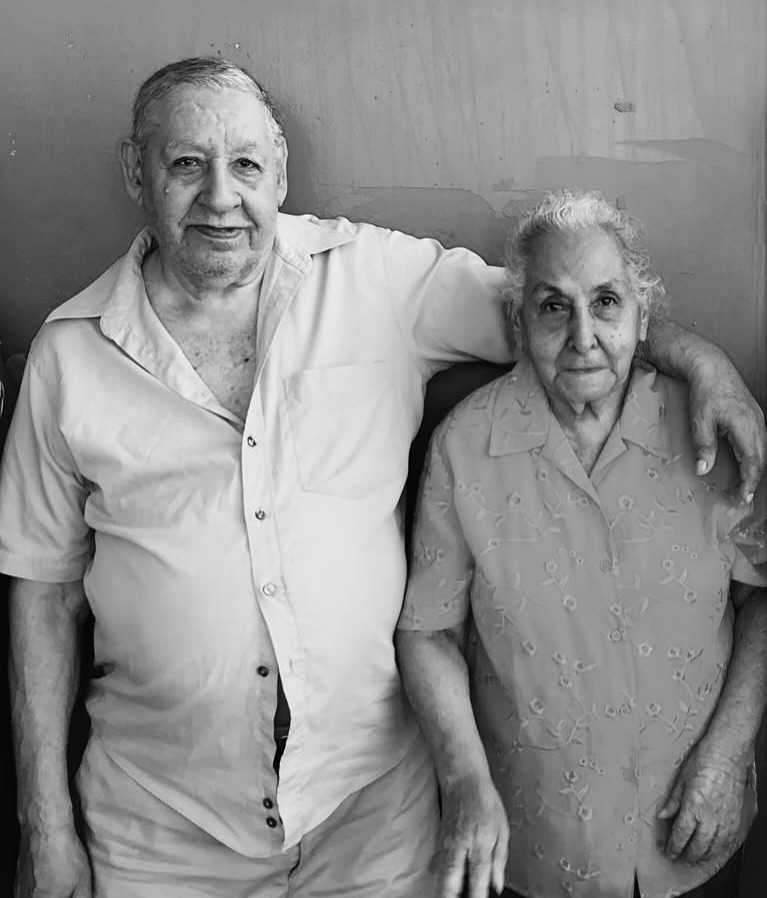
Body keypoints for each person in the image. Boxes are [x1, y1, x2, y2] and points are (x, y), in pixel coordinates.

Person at [0, 59, 763, 898]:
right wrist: (46, 826)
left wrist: (704, 364)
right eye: (187, 163)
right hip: (157, 823)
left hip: (370, 816)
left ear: (280, 169)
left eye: (246, 165)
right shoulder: (68, 357)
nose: (221, 196)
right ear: (134, 170)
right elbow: (43, 594)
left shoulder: (373, 279)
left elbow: (561, 310)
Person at [396, 190, 767, 898]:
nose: (582, 336)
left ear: (641, 315)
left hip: (692, 830)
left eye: (605, 303)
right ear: (517, 318)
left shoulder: (706, 426)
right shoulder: (466, 445)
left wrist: (726, 755)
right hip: (536, 843)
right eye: (551, 306)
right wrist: (464, 780)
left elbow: (758, 598)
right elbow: (429, 632)